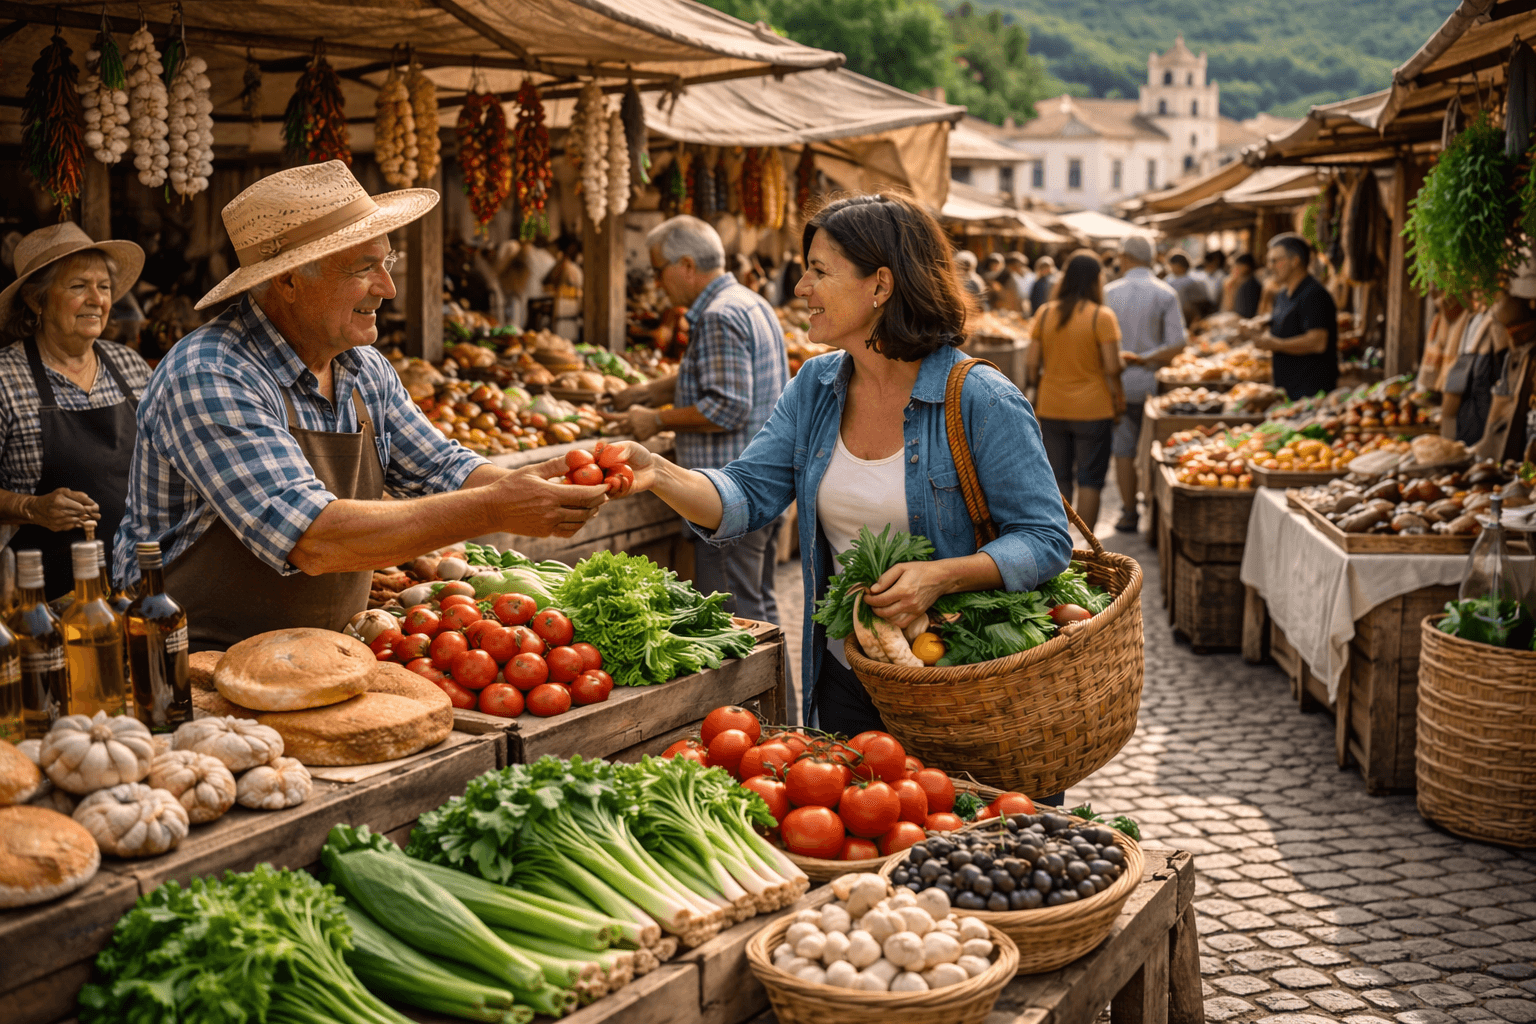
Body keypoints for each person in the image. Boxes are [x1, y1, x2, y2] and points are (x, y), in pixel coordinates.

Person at [602, 193, 1070, 736]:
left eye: (818, 272)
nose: (801, 288)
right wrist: (659, 472)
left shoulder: (980, 398)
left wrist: (942, 576)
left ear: (880, 285)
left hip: (960, 683)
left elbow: (1044, 539)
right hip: (846, 677)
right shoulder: (815, 387)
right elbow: (746, 495)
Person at [114, 161, 610, 650]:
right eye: (363, 268)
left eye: (386, 262)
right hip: (185, 659)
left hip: (318, 655)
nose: (387, 288)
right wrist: (498, 507)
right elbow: (312, 538)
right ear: (288, 281)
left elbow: (441, 467)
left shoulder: (362, 367)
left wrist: (553, 481)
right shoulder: (212, 373)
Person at [607, 216, 789, 623]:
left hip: (731, 498)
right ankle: (786, 691)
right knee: (759, 606)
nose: (656, 282)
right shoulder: (748, 302)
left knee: (734, 617)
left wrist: (656, 419)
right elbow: (727, 377)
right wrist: (651, 390)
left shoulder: (718, 317)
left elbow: (727, 407)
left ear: (686, 266)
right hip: (764, 485)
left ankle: (760, 689)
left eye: (658, 270)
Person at [0, 223, 150, 599]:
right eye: (78, 286)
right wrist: (31, 508)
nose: (96, 299)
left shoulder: (130, 366)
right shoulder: (4, 377)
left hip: (134, 588)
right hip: (38, 599)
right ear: (37, 300)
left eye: (104, 287)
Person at [1025, 250, 1125, 532]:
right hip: (1094, 408)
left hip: (1051, 406)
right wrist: (1120, 396)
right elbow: (1113, 367)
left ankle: (1062, 546)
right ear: (1096, 280)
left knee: (1059, 478)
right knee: (1091, 479)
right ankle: (1087, 550)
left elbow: (1031, 364)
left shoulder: (1045, 314)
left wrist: (1042, 381)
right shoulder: (1101, 316)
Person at [1102, 236, 1186, 534]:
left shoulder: (1108, 293)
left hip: (1117, 383)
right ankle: (1153, 510)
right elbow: (1178, 342)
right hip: (1152, 383)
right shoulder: (1165, 293)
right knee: (1155, 448)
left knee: (1123, 449)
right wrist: (1146, 358)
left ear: (1124, 257)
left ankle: (1128, 512)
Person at [1241, 233, 1339, 401]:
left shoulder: (1314, 294)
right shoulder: (1282, 295)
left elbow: (1318, 342)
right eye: (1268, 261)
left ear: (1295, 261)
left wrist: (1274, 344)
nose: (1270, 266)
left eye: (1275, 260)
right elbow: (1288, 320)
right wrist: (1262, 323)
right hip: (1287, 390)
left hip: (1312, 393)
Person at [1165, 253, 1208, 325]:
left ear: (1180, 265)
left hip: (1189, 318)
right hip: (1172, 316)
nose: (1171, 268)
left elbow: (1200, 303)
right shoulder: (1168, 279)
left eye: (1173, 265)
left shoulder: (1193, 280)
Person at [1223, 253, 1262, 318]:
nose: (1231, 270)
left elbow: (1240, 315)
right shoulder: (1242, 283)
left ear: (1245, 267)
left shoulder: (1250, 287)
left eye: (1234, 266)